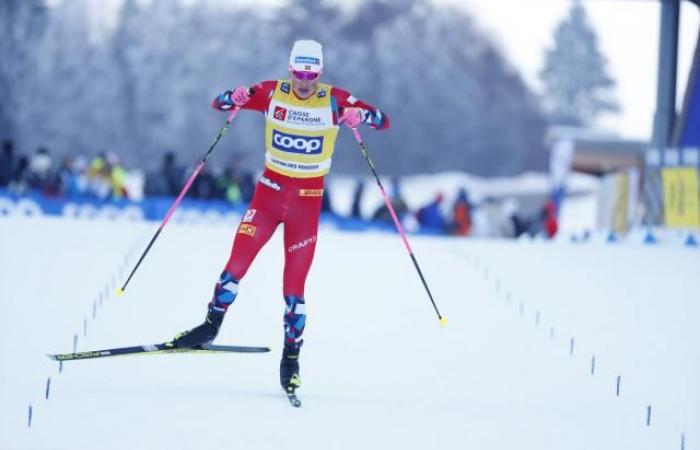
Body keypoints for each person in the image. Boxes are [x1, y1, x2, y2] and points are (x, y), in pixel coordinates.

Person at [173, 40, 390, 397]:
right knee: (234, 268)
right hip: (268, 196)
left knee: (294, 292)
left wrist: (361, 116)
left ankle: (291, 362)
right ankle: (210, 327)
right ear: (291, 69)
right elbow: (220, 102)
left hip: (306, 204)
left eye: (312, 74)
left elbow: (383, 121)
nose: (305, 81)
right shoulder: (274, 92)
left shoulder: (336, 99)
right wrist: (237, 95)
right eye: (299, 72)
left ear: (320, 73)